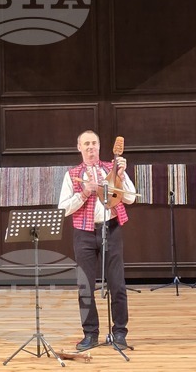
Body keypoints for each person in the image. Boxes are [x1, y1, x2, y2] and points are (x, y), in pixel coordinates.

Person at [58, 130, 137, 352]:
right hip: (84, 232)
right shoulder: (71, 174)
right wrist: (84, 193)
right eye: (86, 144)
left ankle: (119, 332)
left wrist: (121, 174)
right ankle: (90, 334)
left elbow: (129, 197)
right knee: (85, 285)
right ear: (79, 147)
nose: (91, 147)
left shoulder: (111, 169)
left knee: (117, 284)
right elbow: (63, 209)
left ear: (100, 146)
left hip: (110, 229)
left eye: (94, 143)